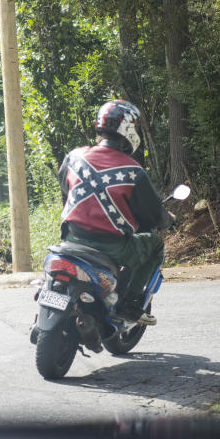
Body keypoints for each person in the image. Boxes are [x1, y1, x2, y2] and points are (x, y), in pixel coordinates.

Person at [57, 99, 172, 325]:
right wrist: (167, 220)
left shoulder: (74, 156)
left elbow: (65, 186)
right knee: (155, 244)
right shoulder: (133, 171)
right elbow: (154, 214)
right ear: (128, 129)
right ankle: (129, 304)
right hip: (111, 247)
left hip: (71, 238)